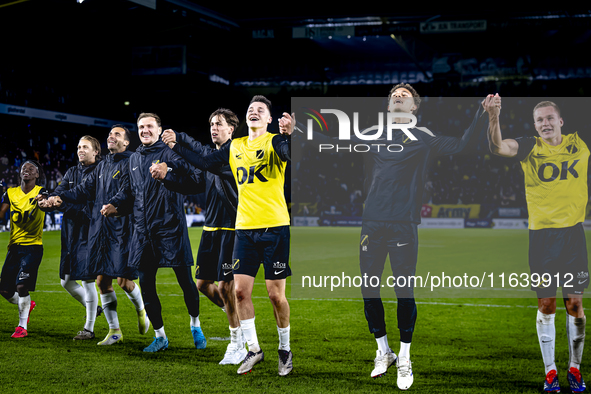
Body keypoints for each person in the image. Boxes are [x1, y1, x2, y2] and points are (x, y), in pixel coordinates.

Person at [297, 84, 487, 389]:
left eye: (405, 96)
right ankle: (384, 351)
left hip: (403, 224)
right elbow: (333, 142)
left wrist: (482, 113)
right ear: (388, 107)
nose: (399, 96)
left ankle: (406, 356)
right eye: (394, 95)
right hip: (371, 223)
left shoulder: (423, 136)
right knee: (368, 290)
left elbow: (464, 145)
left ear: (413, 108)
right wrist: (298, 130)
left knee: (404, 291)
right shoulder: (373, 134)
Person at [161, 96, 293, 376]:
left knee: (274, 296)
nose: (254, 112)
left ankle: (284, 349)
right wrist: (177, 145)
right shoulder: (236, 147)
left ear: (269, 119)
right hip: (243, 229)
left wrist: (289, 136)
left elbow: (289, 154)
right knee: (239, 292)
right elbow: (203, 161)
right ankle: (253, 349)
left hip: (273, 227)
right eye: (250, 109)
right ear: (245, 119)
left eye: (260, 110)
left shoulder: (274, 142)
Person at [484, 95, 588, 393]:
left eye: (549, 118)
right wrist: (494, 115)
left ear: (560, 121)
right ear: (535, 125)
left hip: (572, 237)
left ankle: (575, 369)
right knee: (546, 303)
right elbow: (498, 146)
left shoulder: (579, 143)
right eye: (539, 119)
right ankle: (550, 372)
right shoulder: (531, 146)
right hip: (542, 238)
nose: (545, 123)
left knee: (575, 304)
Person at [102, 112, 204, 353]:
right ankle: (160, 336)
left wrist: (169, 168)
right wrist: (114, 204)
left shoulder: (170, 151)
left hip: (171, 228)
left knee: (185, 282)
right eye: (141, 127)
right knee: (147, 285)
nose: (144, 130)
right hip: (143, 232)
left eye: (149, 126)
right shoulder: (134, 159)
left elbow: (194, 173)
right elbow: (128, 191)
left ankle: (195, 324)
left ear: (159, 130)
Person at [47, 125, 151, 345]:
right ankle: (115, 330)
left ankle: (141, 309)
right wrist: (60, 198)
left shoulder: (132, 161)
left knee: (124, 281)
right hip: (101, 230)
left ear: (126, 143)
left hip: (124, 230)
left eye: (117, 134)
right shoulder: (102, 166)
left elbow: (128, 189)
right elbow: (84, 189)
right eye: (110, 134)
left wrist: (115, 203)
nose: (111, 137)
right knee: (102, 281)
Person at [161, 108, 247, 364]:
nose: (213, 128)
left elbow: (200, 156)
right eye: (211, 124)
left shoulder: (235, 153)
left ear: (231, 129)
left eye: (219, 124)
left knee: (225, 286)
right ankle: (237, 317)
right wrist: (167, 178)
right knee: (202, 284)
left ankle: (237, 343)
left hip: (231, 229)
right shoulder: (210, 157)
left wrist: (179, 142)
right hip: (210, 229)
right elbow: (193, 183)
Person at [47, 136, 102, 340]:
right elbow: (60, 192)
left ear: (96, 151)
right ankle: (95, 308)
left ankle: (89, 328)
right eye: (78, 146)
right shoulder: (71, 172)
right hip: (69, 231)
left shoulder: (100, 170)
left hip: (88, 230)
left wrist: (60, 201)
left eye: (85, 147)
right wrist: (49, 200)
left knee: (87, 281)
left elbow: (84, 200)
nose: (80, 150)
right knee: (66, 281)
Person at [0, 160, 47, 338]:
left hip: (33, 246)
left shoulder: (41, 192)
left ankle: (21, 326)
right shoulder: (10, 193)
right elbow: (1, 214)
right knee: (4, 290)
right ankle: (28, 304)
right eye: (23, 168)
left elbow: (48, 204)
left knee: (21, 285)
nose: (26, 170)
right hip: (14, 246)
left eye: (31, 168)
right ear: (20, 173)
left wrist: (44, 202)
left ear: (37, 174)